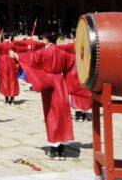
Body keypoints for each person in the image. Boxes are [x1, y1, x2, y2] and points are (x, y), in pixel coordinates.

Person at [12, 26, 75, 159]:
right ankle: (61, 150)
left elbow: (31, 59)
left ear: (45, 39)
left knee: (51, 114)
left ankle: (53, 149)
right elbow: (72, 62)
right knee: (62, 114)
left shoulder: (43, 52)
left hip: (49, 84)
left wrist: (17, 55)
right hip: (60, 83)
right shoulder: (63, 53)